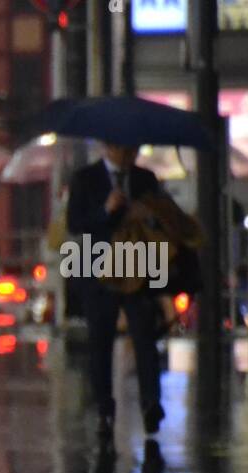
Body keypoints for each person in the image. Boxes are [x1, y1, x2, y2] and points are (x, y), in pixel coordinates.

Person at [67, 141, 165, 440]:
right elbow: (75, 223)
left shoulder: (145, 179)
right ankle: (104, 410)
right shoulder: (85, 178)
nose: (127, 155)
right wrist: (104, 211)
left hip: (137, 266)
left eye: (132, 150)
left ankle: (150, 403)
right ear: (107, 147)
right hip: (98, 271)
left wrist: (145, 215)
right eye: (122, 149)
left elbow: (162, 219)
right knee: (101, 342)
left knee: (145, 338)